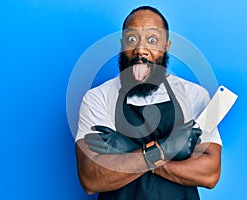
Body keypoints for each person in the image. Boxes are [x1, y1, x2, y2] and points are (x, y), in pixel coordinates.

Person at [75, 6, 222, 200]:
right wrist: (167, 149)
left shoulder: (196, 95)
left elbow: (210, 174)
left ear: (166, 46)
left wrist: (128, 151)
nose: (141, 50)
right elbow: (91, 179)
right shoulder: (97, 98)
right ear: (122, 44)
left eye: (152, 40)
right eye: (132, 39)